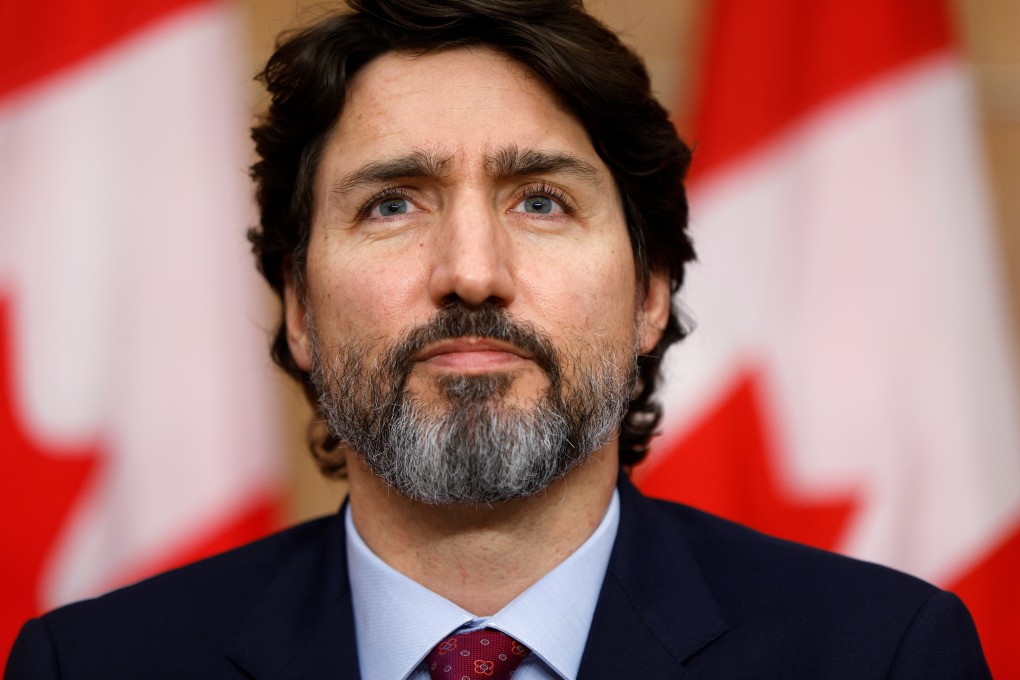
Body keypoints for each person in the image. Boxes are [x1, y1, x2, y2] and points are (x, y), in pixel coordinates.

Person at [5, 0, 991, 678]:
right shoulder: (93, 664)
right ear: (299, 308)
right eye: (393, 202)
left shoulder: (883, 654)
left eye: (541, 200)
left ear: (651, 293)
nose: (471, 269)